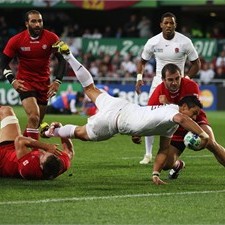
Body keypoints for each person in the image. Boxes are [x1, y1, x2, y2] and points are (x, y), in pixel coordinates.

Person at [40, 42, 209, 176]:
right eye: (193, 113)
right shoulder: (175, 113)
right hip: (113, 122)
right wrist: (203, 134)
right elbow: (182, 119)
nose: (194, 118)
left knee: (90, 88)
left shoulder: (170, 119)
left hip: (120, 105)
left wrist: (155, 173)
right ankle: (51, 132)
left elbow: (163, 148)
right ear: (184, 107)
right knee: (80, 133)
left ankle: (69, 56)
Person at [135, 12, 201, 164]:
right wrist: (139, 78)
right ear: (161, 25)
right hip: (159, 82)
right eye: (166, 23)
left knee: (181, 115)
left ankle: (174, 151)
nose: (169, 26)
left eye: (171, 23)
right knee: (150, 115)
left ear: (175, 25)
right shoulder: (153, 42)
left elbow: (196, 63)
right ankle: (148, 154)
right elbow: (142, 61)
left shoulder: (185, 42)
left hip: (179, 83)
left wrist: (187, 79)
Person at [147, 63, 225, 184]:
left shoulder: (190, 85)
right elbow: (148, 114)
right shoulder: (158, 92)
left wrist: (167, 104)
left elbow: (190, 110)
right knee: (167, 164)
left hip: (195, 119)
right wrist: (136, 133)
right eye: (170, 79)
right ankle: (177, 165)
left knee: (211, 143)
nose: (174, 82)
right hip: (175, 128)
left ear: (181, 76)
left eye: (177, 78)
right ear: (163, 80)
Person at [0, 10, 67, 140]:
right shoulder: (16, 40)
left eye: (40, 21)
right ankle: (34, 156)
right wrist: (12, 80)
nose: (37, 24)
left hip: (44, 84)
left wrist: (57, 81)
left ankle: (19, 146)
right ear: (27, 23)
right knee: (34, 116)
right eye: (34, 21)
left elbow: (62, 60)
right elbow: (3, 62)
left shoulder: (52, 38)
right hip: (26, 82)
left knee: (34, 124)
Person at [0, 105, 74, 179]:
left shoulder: (29, 169)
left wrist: (46, 146)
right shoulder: (61, 164)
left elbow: (20, 140)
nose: (43, 152)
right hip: (12, 147)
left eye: (42, 156)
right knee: (6, 110)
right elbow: (69, 152)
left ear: (41, 166)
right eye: (47, 152)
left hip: (3, 161)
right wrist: (60, 130)